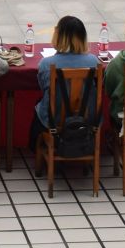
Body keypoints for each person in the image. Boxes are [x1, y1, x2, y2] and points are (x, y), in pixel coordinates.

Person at [30, 16, 100, 150]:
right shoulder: (94, 62)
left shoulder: (46, 64)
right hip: (87, 118)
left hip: (55, 119)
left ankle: (38, 150)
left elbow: (44, 88)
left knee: (40, 106)